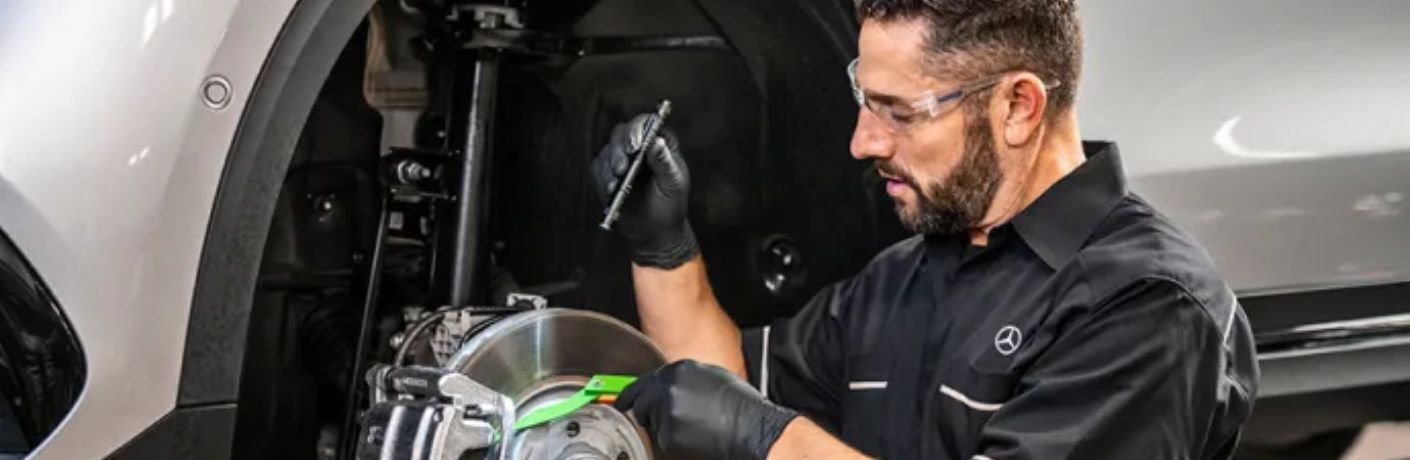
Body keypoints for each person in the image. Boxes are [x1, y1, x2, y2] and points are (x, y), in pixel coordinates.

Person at [592, 0, 1259, 458]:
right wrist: (664, 249)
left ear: (1019, 107)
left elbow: (748, 426)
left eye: (899, 113)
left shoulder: (1145, 304)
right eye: (864, 102)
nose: (862, 142)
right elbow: (723, 386)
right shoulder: (900, 277)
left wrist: (770, 440)